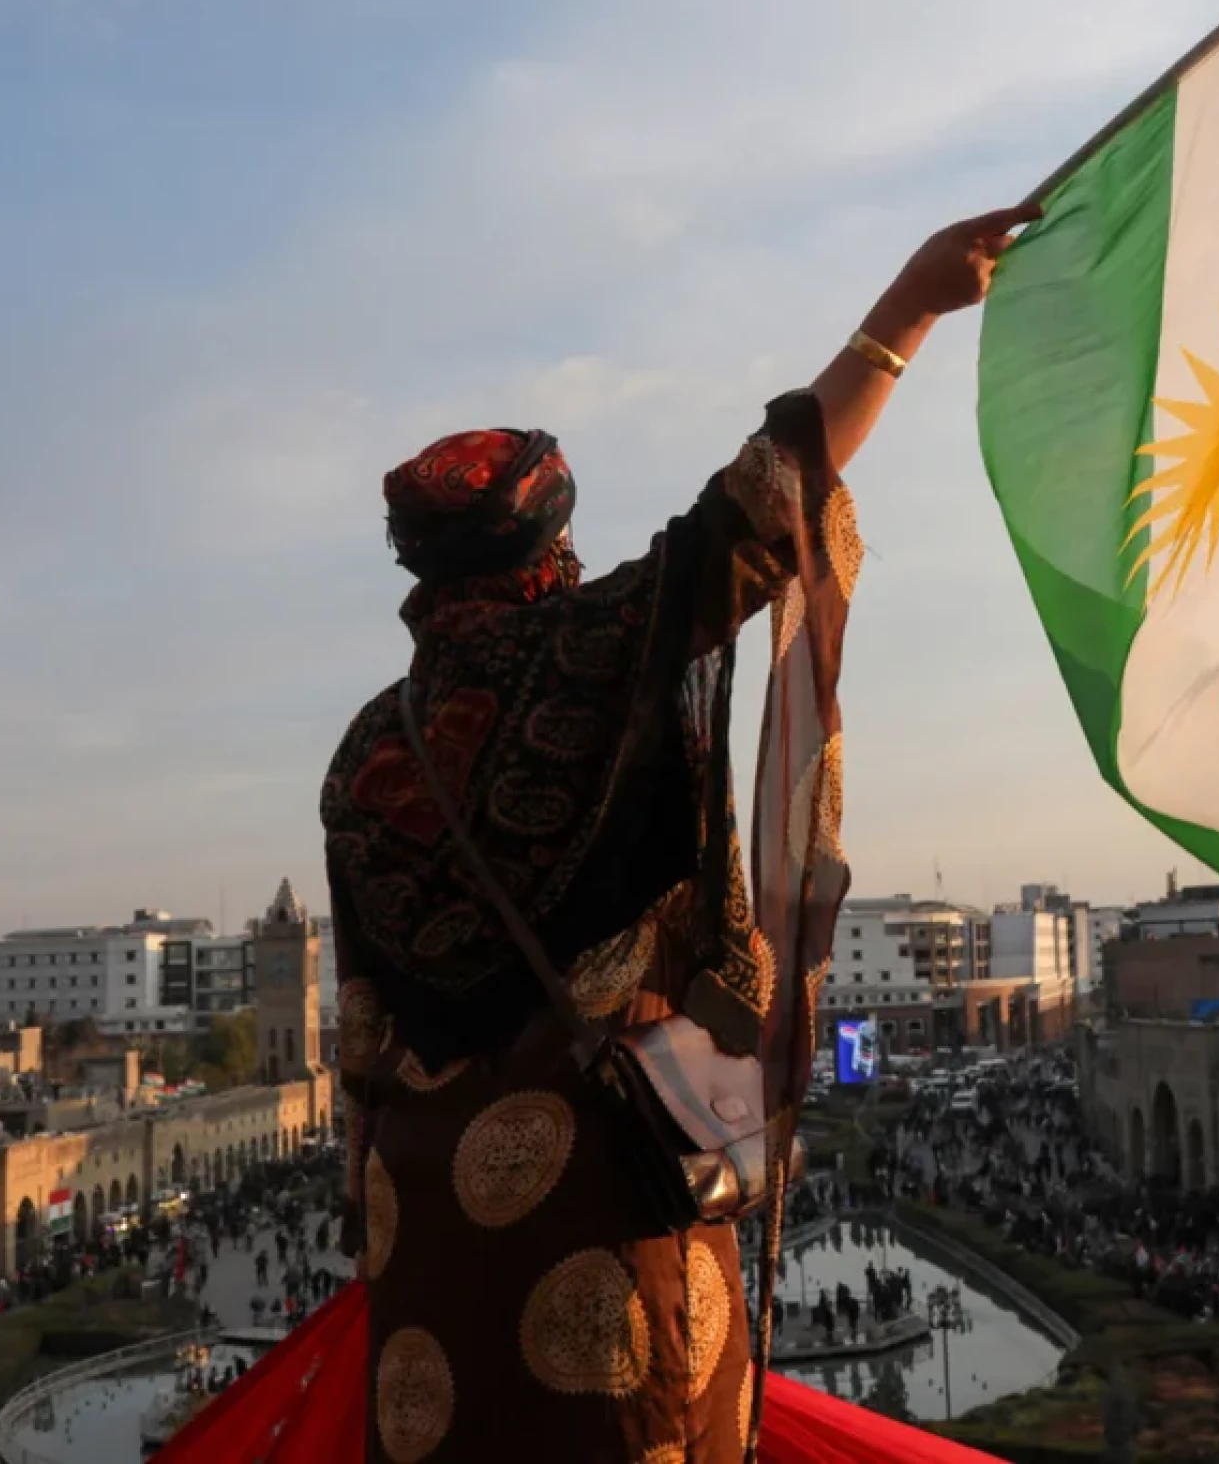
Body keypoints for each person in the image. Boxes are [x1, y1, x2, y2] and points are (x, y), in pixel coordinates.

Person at [275, 206, 1034, 1464]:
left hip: (427, 1234)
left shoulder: (366, 753)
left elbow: (361, 1025)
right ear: (546, 546)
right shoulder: (589, 652)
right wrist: (908, 307)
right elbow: (764, 505)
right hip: (603, 1191)